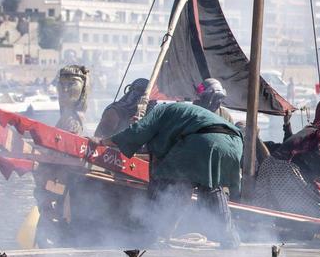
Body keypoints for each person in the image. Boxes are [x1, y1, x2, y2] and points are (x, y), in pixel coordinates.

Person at [99, 94, 244, 248]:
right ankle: (230, 239)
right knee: (212, 188)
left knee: (167, 183)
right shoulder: (188, 114)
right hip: (234, 143)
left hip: (203, 141)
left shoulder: (161, 110)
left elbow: (137, 131)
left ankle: (150, 236)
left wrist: (103, 141)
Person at [56, 64, 91, 134]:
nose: (65, 89)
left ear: (83, 87)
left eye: (71, 84)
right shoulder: (67, 116)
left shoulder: (75, 121)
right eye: (61, 84)